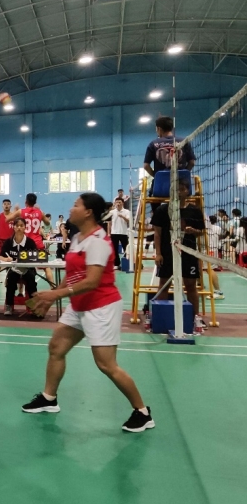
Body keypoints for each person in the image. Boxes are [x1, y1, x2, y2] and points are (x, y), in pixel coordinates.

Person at [24, 192, 155, 433]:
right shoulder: (78, 237)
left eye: (76, 205)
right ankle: (49, 398)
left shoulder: (98, 241)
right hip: (79, 305)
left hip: (101, 307)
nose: (71, 209)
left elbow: (92, 281)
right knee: (56, 348)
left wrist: (55, 296)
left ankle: (142, 412)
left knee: (106, 364)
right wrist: (53, 296)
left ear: (88, 212)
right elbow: (73, 274)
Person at [151, 178, 207, 331]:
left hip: (188, 252)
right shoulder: (163, 210)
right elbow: (157, 233)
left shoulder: (195, 211)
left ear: (187, 191)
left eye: (182, 189)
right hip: (167, 253)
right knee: (164, 284)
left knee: (191, 285)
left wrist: (193, 231)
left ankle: (195, 317)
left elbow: (201, 232)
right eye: (176, 189)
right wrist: (158, 253)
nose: (179, 192)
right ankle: (160, 318)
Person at [143, 116, 196, 211]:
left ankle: (156, 216)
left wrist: (156, 175)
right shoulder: (184, 141)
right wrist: (184, 173)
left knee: (153, 198)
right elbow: (192, 162)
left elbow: (146, 166)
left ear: (159, 129)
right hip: (182, 187)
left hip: (161, 187)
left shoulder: (153, 144)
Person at [7, 193, 54, 285]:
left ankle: (21, 291)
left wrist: (15, 211)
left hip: (25, 245)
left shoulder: (21, 211)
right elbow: (48, 223)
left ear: (26, 201)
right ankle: (53, 287)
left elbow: (7, 219)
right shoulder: (40, 212)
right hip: (38, 244)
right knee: (46, 267)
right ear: (35, 202)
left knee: (20, 269)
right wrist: (41, 215)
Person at [0, 218, 39, 316]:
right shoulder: (8, 242)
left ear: (25, 227)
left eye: (21, 226)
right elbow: (0, 256)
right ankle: (9, 305)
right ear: (14, 227)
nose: (19, 228)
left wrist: (27, 259)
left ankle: (35, 307)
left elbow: (36, 256)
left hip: (28, 269)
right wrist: (6, 259)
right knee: (10, 280)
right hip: (14, 269)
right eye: (17, 226)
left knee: (31, 281)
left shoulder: (30, 242)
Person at [109, 198, 131, 270]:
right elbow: (109, 223)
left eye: (120, 202)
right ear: (115, 203)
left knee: (126, 248)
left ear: (123, 203)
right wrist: (109, 232)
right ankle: (116, 264)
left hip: (123, 233)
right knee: (114, 249)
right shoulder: (112, 212)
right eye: (117, 202)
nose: (118, 203)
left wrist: (122, 216)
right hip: (114, 233)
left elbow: (128, 221)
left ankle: (129, 262)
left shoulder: (127, 211)